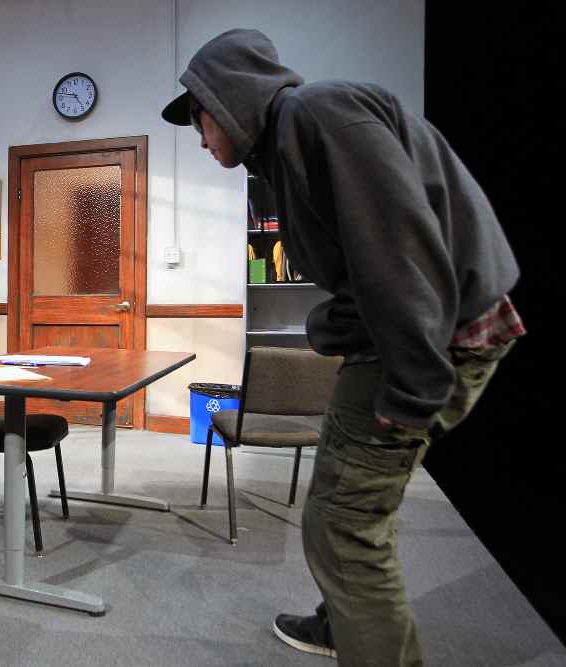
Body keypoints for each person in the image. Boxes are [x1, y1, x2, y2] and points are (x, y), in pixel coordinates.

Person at [162, 29, 525, 665]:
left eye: (200, 121)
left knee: (342, 528)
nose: (200, 139)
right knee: (347, 504)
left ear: (225, 100)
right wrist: (339, 327)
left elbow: (399, 252)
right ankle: (343, 622)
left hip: (420, 343)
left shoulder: (315, 115)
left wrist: (412, 390)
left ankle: (367, 638)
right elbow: (366, 264)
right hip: (403, 337)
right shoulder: (291, 142)